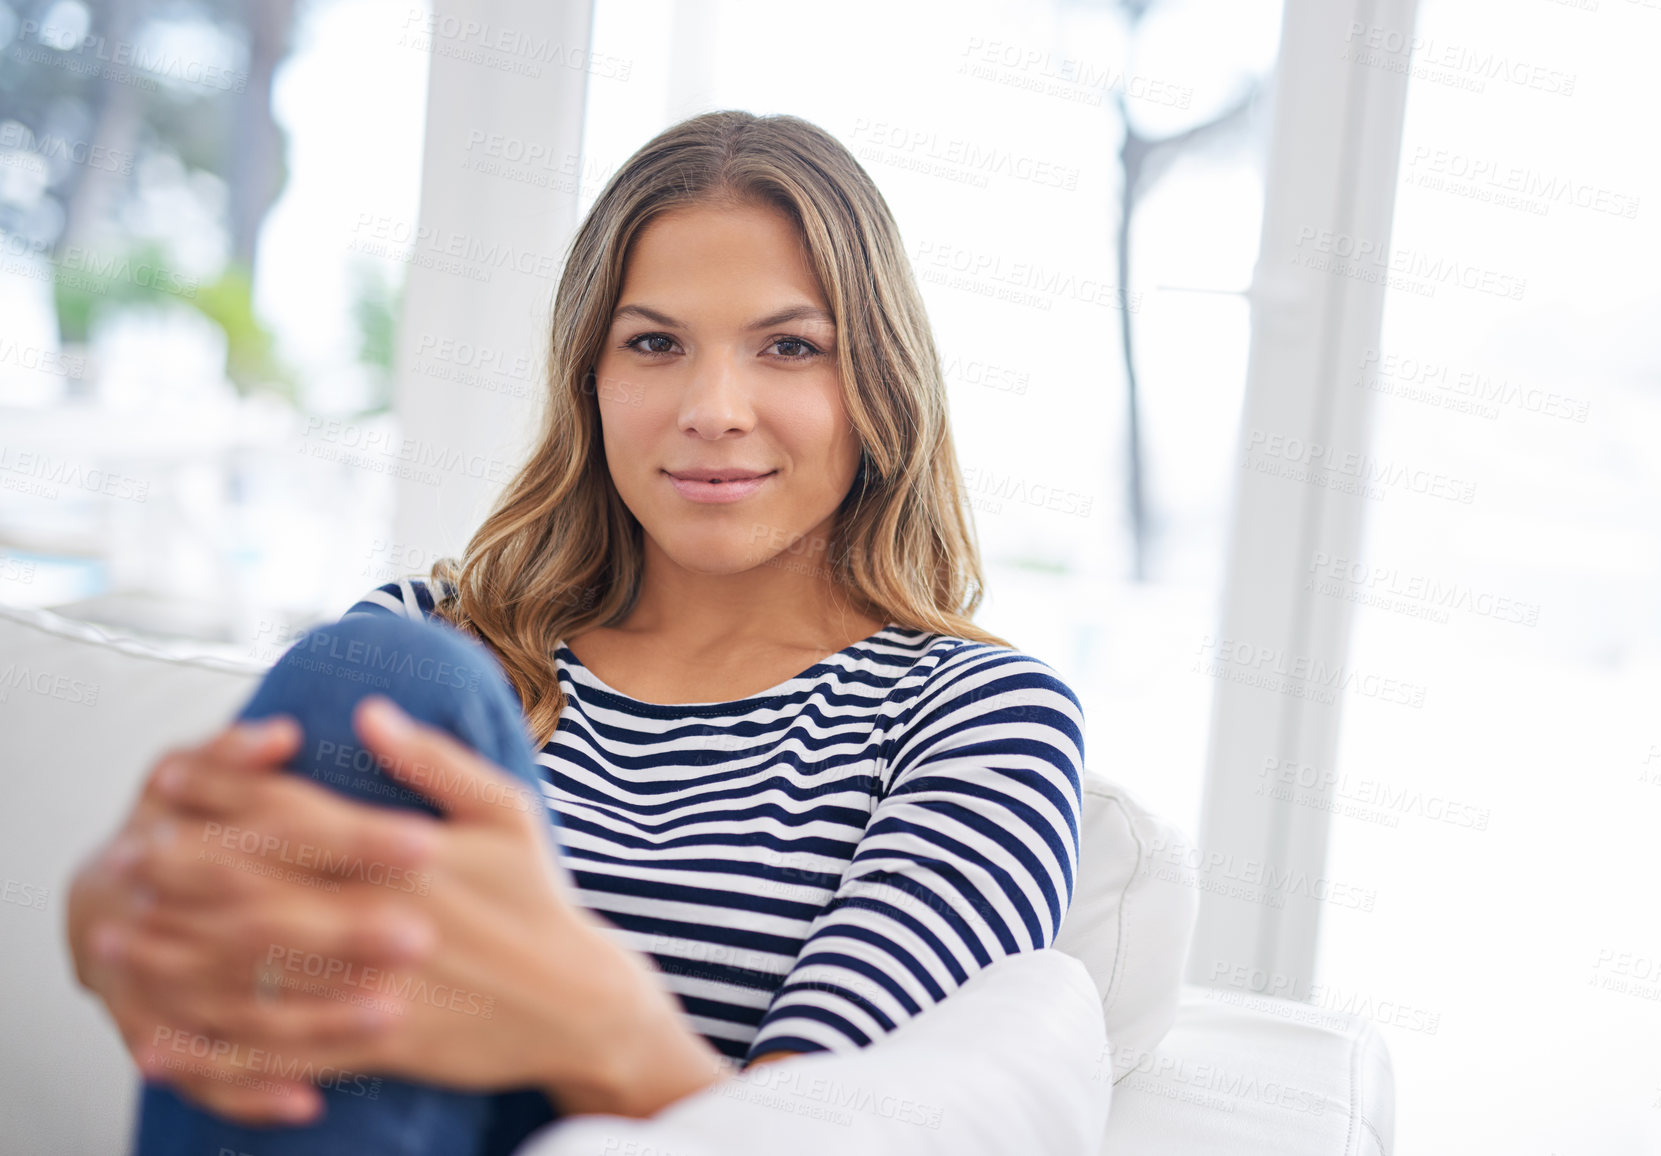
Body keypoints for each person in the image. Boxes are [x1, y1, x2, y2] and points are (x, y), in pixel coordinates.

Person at [64, 109, 1086, 1154]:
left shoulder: (979, 719)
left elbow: (808, 1137)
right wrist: (124, 911)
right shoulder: (428, 642)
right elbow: (230, 953)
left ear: (876, 380)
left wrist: (586, 1017)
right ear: (589, 378)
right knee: (386, 673)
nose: (714, 407)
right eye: (654, 343)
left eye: (789, 347)